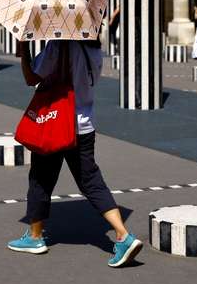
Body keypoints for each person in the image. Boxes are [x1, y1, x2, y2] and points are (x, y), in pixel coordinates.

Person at [8, 38, 143, 268]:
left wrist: (25, 53)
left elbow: (31, 79)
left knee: (40, 178)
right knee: (91, 180)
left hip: (57, 124)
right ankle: (122, 235)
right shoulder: (94, 50)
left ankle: (34, 237)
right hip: (85, 125)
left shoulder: (57, 47)